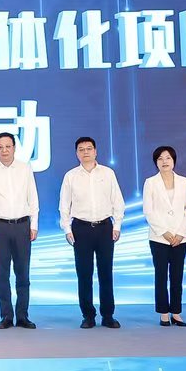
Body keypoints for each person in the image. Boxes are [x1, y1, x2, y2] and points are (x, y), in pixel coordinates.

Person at [58, 136, 124, 329]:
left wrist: (117, 225)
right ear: (76, 153)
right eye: (81, 149)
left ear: (95, 151)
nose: (85, 152)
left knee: (106, 273)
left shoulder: (108, 173)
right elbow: (64, 205)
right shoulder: (71, 176)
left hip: (105, 228)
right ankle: (88, 315)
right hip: (81, 228)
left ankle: (108, 315)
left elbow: (117, 201)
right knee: (84, 274)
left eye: (89, 148)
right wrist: (67, 228)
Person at [0, 132, 38, 329]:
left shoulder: (25, 168)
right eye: (0, 147)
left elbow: (33, 198)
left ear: (14, 148)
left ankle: (22, 316)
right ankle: (6, 316)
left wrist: (34, 225)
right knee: (2, 274)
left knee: (23, 274)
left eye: (8, 146)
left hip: (22, 226)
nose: (4, 150)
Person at [142, 145, 186, 327]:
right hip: (159, 237)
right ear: (156, 162)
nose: (164, 161)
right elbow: (148, 211)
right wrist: (164, 231)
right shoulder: (150, 183)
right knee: (161, 275)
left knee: (177, 276)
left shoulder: (184, 182)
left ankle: (176, 312)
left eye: (168, 158)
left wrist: (180, 233)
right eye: (160, 158)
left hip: (180, 237)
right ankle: (164, 313)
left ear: (174, 160)